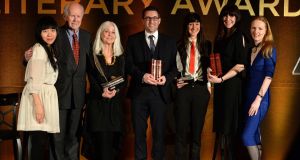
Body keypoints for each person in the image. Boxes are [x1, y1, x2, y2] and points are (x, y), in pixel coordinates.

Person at [24, 2, 91, 160]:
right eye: (72, 15)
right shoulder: (55, 33)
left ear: (82, 17)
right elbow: (40, 55)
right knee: (57, 137)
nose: (75, 19)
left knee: (74, 136)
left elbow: (90, 65)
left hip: (79, 95)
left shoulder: (87, 36)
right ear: (65, 16)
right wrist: (26, 57)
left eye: (78, 16)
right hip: (59, 94)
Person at [125, 6, 177, 160]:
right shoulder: (133, 40)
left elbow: (176, 68)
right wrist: (142, 76)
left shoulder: (170, 41)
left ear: (159, 21)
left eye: (154, 18)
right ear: (143, 20)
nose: (151, 21)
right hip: (139, 94)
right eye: (148, 18)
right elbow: (128, 64)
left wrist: (166, 78)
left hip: (160, 95)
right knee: (139, 134)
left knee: (159, 135)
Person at [207, 4, 247, 160]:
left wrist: (222, 78)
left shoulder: (239, 36)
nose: (228, 19)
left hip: (231, 86)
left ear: (236, 17)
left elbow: (241, 65)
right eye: (225, 15)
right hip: (220, 86)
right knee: (221, 127)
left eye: (231, 16)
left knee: (229, 127)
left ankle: (229, 156)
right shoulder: (220, 37)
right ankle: (221, 156)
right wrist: (211, 71)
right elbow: (217, 62)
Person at [17, 16, 59, 160]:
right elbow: (34, 79)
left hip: (44, 97)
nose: (49, 34)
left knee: (41, 142)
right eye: (45, 31)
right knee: (38, 142)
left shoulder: (48, 49)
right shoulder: (39, 49)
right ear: (38, 33)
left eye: (53, 30)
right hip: (39, 98)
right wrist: (38, 105)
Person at [85, 21, 125, 160]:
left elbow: (122, 78)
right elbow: (91, 76)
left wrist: (116, 91)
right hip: (98, 105)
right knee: (99, 146)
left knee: (113, 146)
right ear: (100, 34)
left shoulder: (120, 56)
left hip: (114, 107)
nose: (110, 35)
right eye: (106, 31)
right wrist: (101, 92)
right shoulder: (93, 54)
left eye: (113, 32)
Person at [175, 13, 211, 160]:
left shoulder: (207, 44)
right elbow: (173, 67)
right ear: (186, 26)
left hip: (201, 90)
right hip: (183, 89)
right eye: (191, 24)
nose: (194, 27)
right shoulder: (177, 44)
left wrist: (209, 85)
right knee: (181, 131)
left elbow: (210, 66)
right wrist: (176, 80)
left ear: (200, 26)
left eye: (197, 23)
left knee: (197, 131)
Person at [241, 16, 277, 160]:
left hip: (260, 99)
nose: (256, 31)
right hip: (248, 98)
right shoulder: (251, 49)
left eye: (260, 28)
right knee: (254, 135)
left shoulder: (269, 48)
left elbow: (269, 76)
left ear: (266, 30)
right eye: (253, 28)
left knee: (247, 136)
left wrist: (258, 99)